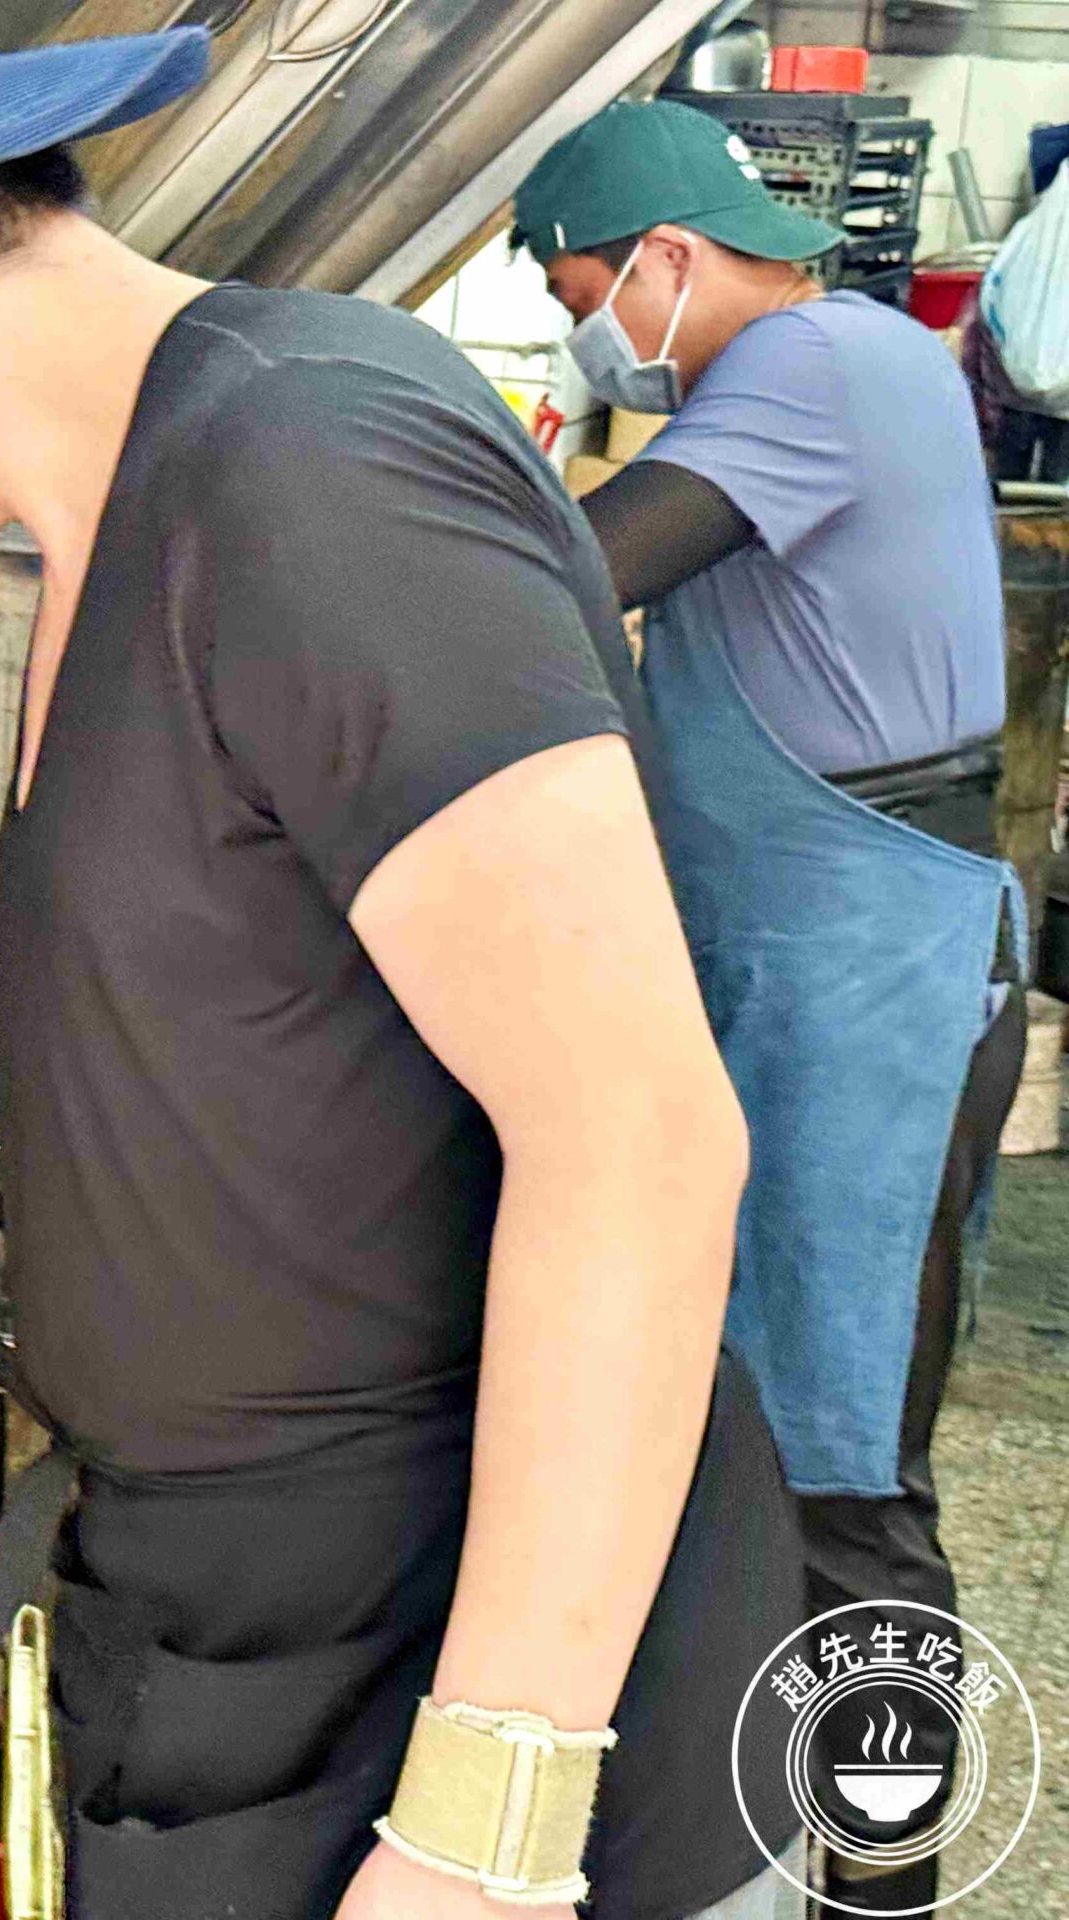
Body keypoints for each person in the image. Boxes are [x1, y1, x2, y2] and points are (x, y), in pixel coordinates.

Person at [0, 7, 804, 1916]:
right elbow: (284, 966)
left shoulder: (308, 467)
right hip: (248, 1636)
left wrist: (491, 1814)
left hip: (455, 1650)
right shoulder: (127, 511)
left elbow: (637, 1139)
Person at [512, 99, 1026, 1915]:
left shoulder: (821, 359)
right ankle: (738, 1852)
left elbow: (571, 572)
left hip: (866, 972)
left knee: (844, 1478)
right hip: (797, 963)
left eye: (577, 285)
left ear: (658, 256)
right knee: (755, 1448)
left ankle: (880, 1891)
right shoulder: (799, 380)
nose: (589, 325)